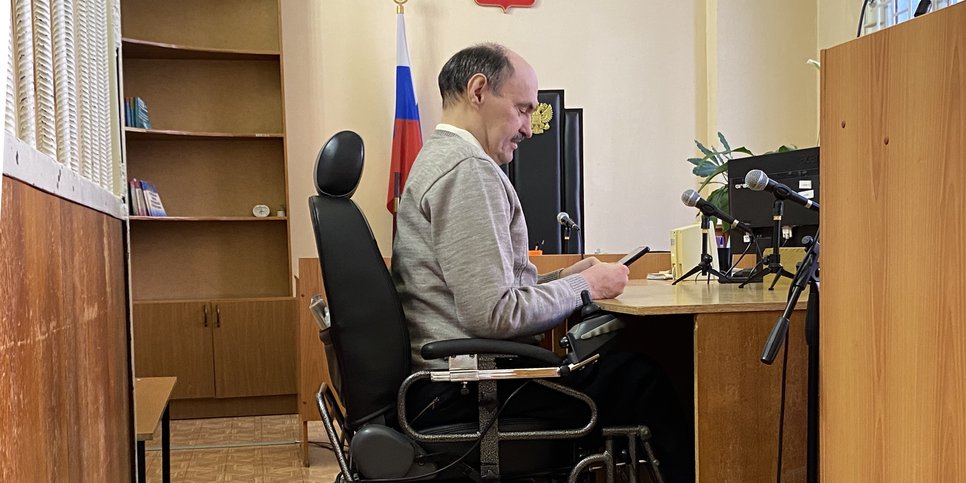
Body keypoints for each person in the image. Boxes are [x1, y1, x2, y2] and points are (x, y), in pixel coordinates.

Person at [391, 43, 693, 482]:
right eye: (522, 110)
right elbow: (493, 315)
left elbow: (488, 292)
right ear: (478, 91)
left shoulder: (440, 159)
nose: (529, 129)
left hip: (452, 385)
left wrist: (564, 277)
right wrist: (588, 287)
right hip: (468, 391)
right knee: (641, 378)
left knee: (626, 371)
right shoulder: (468, 170)